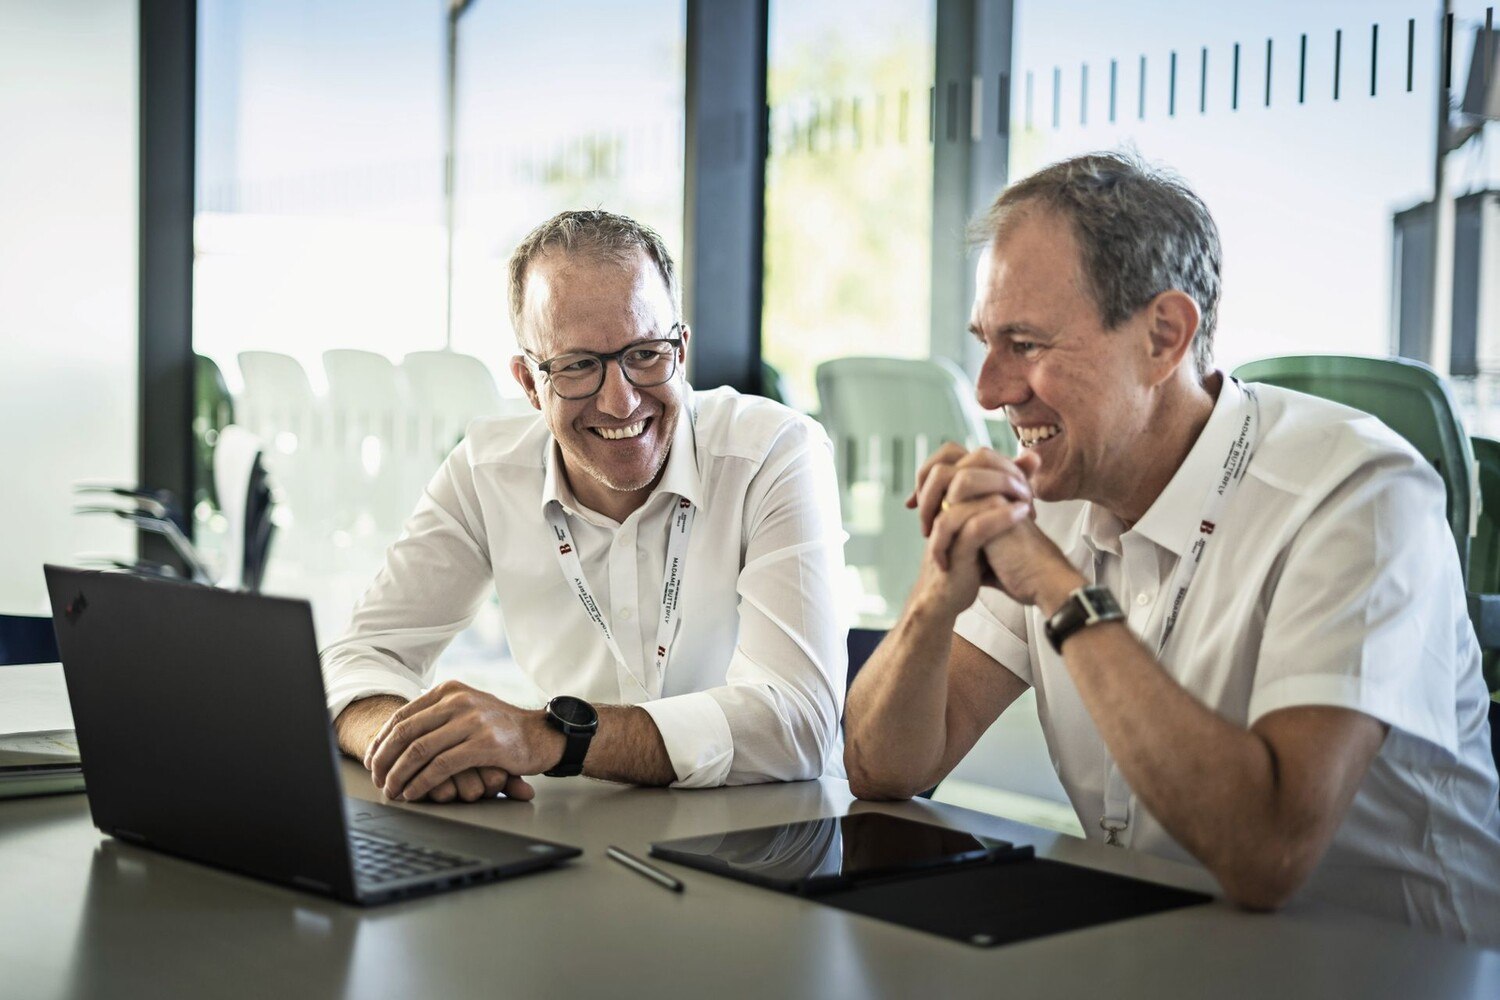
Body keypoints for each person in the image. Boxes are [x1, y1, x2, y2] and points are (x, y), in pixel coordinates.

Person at [843, 152, 1500, 945]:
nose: (988, 390)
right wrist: (935, 594)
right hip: (1157, 951)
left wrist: (1059, 591)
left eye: (1025, 343)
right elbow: (885, 767)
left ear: (1163, 336)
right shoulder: (1054, 490)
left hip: (1390, 969)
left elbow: (1268, 852)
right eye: (987, 341)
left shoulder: (1359, 494)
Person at [323, 209, 847, 804]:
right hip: (577, 833)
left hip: (767, 841)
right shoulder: (485, 471)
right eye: (577, 366)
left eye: (646, 353)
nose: (621, 400)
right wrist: (419, 748)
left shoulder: (774, 453)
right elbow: (357, 659)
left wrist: (551, 737)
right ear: (528, 382)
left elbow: (798, 722)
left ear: (682, 347)